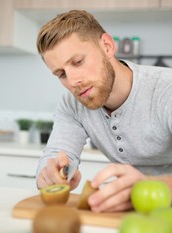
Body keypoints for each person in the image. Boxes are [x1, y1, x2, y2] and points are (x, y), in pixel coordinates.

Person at [36, 9, 172, 213]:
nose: (73, 81)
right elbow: (55, 155)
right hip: (127, 215)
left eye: (78, 62)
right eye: (61, 74)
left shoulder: (166, 89)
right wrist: (51, 173)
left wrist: (153, 188)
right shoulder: (72, 105)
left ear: (107, 46)